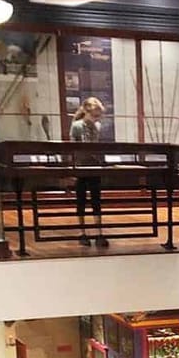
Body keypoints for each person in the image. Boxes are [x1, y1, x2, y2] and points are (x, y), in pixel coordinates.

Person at [70, 97, 109, 248]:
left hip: (94, 167)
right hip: (81, 167)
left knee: (96, 200)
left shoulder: (97, 126)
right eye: (95, 115)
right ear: (87, 112)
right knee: (81, 200)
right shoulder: (77, 126)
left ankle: (99, 232)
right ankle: (83, 232)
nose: (97, 118)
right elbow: (73, 148)